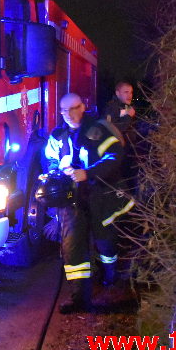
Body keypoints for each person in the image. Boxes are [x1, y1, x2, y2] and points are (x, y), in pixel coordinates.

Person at [42, 93, 134, 314]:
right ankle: (79, 299)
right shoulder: (58, 135)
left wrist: (88, 173)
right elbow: (50, 159)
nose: (69, 115)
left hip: (99, 195)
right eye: (64, 111)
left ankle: (109, 276)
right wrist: (55, 173)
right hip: (71, 201)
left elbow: (114, 157)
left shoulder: (99, 130)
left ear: (83, 106)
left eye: (74, 108)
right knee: (73, 249)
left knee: (105, 242)